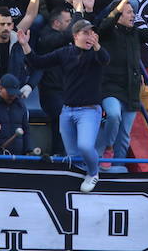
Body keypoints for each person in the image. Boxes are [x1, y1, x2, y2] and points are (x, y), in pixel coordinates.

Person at [22, 20, 108, 192]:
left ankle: (93, 173)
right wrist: (25, 45)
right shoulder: (65, 53)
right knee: (73, 155)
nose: (90, 36)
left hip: (89, 110)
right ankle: (77, 180)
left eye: (92, 33)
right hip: (67, 110)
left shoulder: (96, 54)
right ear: (76, 36)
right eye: (86, 33)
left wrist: (97, 45)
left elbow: (105, 59)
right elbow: (38, 63)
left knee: (85, 146)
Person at [97, 0, 148, 170]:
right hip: (110, 86)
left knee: (125, 133)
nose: (133, 14)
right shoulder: (108, 32)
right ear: (118, 15)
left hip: (131, 88)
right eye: (128, 11)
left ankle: (119, 166)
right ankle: (108, 147)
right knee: (113, 115)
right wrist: (121, 3)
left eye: (133, 11)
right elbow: (104, 26)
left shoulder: (135, 33)